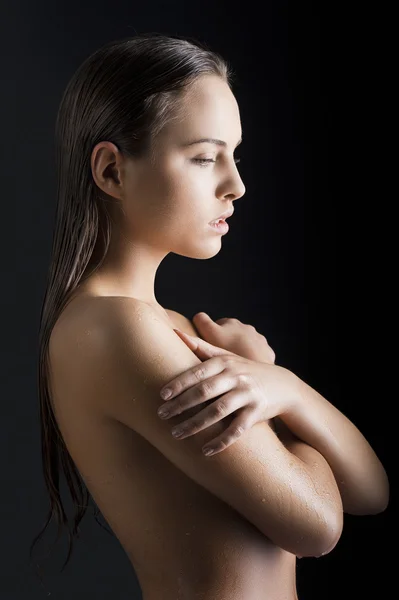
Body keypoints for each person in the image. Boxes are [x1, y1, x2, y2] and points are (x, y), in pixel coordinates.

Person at [30, 33, 389, 600]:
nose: (236, 185)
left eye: (234, 155)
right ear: (112, 172)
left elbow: (371, 491)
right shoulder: (114, 330)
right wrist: (273, 388)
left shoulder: (167, 327)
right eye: (203, 157)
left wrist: (283, 388)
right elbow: (317, 525)